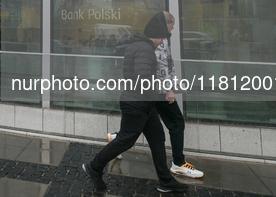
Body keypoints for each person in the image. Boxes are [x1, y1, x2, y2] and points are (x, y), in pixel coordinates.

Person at [82, 13, 188, 193]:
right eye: (161, 38)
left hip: (144, 104)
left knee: (157, 139)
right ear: (156, 35)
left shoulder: (137, 46)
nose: (162, 42)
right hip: (137, 104)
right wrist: (165, 91)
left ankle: (165, 181)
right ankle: (94, 166)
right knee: (125, 140)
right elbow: (143, 78)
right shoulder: (145, 49)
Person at [108, 11, 204, 179]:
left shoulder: (160, 39)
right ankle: (178, 164)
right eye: (172, 24)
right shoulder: (160, 40)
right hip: (158, 92)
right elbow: (160, 67)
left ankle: (117, 137)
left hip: (155, 91)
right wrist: (169, 90)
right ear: (166, 24)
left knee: (143, 128)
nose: (173, 27)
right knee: (176, 123)